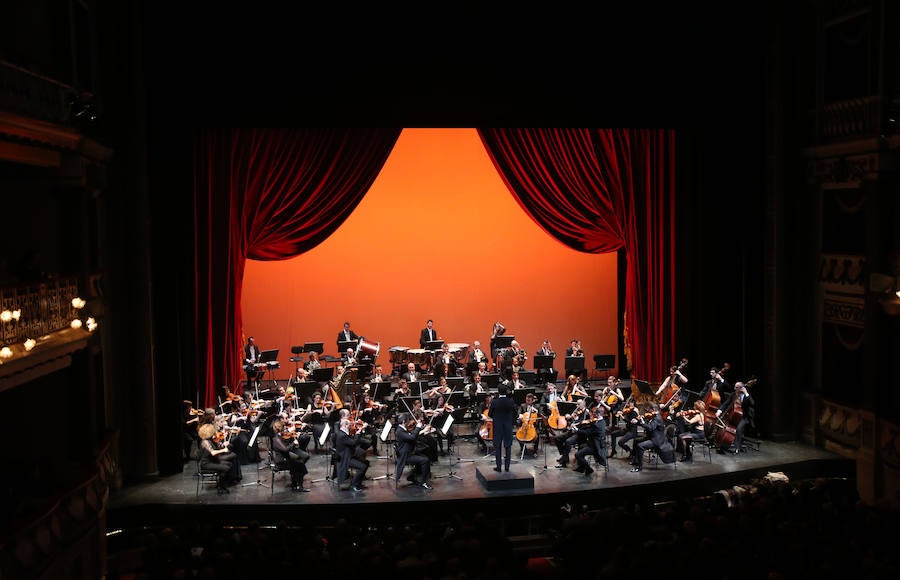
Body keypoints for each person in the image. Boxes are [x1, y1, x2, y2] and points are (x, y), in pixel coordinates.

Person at [394, 412, 434, 489]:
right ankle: (424, 482)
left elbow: (411, 434)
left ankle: (412, 476)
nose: (409, 422)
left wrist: (423, 431)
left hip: (409, 452)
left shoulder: (402, 429)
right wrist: (418, 427)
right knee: (425, 460)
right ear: (403, 422)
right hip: (406, 456)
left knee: (425, 455)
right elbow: (412, 437)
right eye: (408, 421)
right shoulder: (399, 431)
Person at [197, 423, 240, 494]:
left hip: (212, 460)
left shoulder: (209, 440)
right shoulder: (205, 442)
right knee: (226, 468)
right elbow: (213, 452)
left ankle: (222, 484)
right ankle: (221, 487)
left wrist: (223, 445)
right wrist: (223, 450)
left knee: (229, 464)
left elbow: (215, 448)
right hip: (206, 464)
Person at [632, 403, 676, 472]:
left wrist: (642, 423)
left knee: (640, 446)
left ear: (653, 409)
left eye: (649, 409)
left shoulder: (657, 418)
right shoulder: (653, 416)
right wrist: (637, 422)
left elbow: (650, 428)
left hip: (656, 440)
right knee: (636, 440)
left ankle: (639, 467)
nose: (647, 411)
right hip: (651, 437)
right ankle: (635, 460)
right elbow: (646, 424)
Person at [270, 419, 311, 492]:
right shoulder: (276, 439)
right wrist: (293, 443)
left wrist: (294, 438)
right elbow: (285, 449)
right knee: (299, 464)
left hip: (286, 456)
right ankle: (298, 486)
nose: (285, 430)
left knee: (302, 460)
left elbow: (286, 444)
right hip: (281, 460)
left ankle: (295, 482)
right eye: (284, 428)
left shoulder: (280, 436)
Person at [715, 381, 755, 454]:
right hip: (734, 415)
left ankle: (737, 448)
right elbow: (726, 403)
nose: (734, 388)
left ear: (741, 388)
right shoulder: (733, 395)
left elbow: (752, 403)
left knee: (739, 429)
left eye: (736, 387)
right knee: (724, 426)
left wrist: (746, 393)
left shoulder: (747, 395)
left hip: (745, 417)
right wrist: (719, 411)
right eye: (735, 387)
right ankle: (723, 442)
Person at [334, 417, 370, 491]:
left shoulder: (343, 433)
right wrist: (358, 432)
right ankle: (353, 485)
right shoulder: (342, 435)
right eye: (349, 426)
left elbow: (353, 441)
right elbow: (353, 443)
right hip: (345, 458)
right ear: (345, 425)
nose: (350, 427)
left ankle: (358, 483)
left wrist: (359, 431)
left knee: (366, 463)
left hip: (349, 454)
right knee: (362, 467)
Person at [489, 383, 517, 472]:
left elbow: (490, 414)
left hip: (497, 426)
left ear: (498, 391)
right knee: (508, 446)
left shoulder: (494, 401)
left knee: (497, 446)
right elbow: (515, 413)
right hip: (508, 426)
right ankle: (507, 467)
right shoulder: (510, 401)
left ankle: (498, 467)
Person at [554, 398, 589, 468]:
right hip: (571, 431)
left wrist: (575, 424)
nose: (577, 406)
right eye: (577, 404)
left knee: (568, 442)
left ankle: (564, 460)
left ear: (584, 404)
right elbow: (570, 422)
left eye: (579, 404)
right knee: (557, 438)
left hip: (579, 433)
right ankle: (564, 455)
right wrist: (568, 418)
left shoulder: (586, 413)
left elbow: (584, 423)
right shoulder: (577, 411)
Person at [574, 403, 607, 475]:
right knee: (581, 446)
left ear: (598, 415)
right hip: (595, 443)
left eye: (594, 414)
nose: (593, 415)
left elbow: (588, 432)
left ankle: (588, 469)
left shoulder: (597, 425)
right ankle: (582, 467)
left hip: (595, 447)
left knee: (577, 455)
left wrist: (577, 430)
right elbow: (591, 430)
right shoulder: (602, 422)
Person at [515, 392, 540, 457]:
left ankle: (535, 451)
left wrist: (537, 412)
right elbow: (519, 413)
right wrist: (520, 415)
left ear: (532, 400)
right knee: (519, 435)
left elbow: (540, 416)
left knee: (537, 435)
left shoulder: (536, 406)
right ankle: (523, 449)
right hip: (524, 425)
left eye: (529, 401)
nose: (527, 402)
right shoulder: (522, 406)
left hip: (533, 426)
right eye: (526, 400)